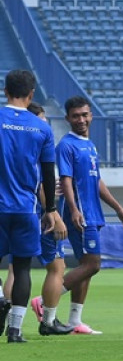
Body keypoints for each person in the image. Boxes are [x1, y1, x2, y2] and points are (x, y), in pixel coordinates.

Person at [48, 96, 123, 335]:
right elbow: (66, 180)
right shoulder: (66, 145)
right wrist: (73, 210)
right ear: (67, 118)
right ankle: (46, 302)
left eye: (85, 115)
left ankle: (75, 320)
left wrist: (118, 208)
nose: (81, 120)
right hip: (80, 213)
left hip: (93, 212)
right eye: (76, 116)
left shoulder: (90, 145)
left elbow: (96, 182)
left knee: (86, 265)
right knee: (93, 264)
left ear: (91, 115)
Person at [0, 70, 65, 342]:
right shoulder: (42, 127)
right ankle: (15, 330)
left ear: (5, 91)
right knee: (23, 267)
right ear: (31, 95)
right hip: (26, 209)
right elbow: (48, 173)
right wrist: (50, 209)